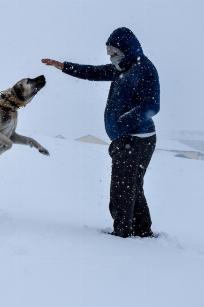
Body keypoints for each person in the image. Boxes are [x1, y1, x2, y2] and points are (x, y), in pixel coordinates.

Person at [42, 27, 159, 238]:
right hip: (130, 139)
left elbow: (152, 105)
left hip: (136, 139)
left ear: (127, 49)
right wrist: (64, 67)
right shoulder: (122, 67)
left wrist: (123, 123)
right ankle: (142, 230)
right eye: (109, 52)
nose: (110, 56)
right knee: (133, 185)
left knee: (122, 188)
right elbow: (93, 72)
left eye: (114, 52)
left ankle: (122, 233)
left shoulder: (144, 69)